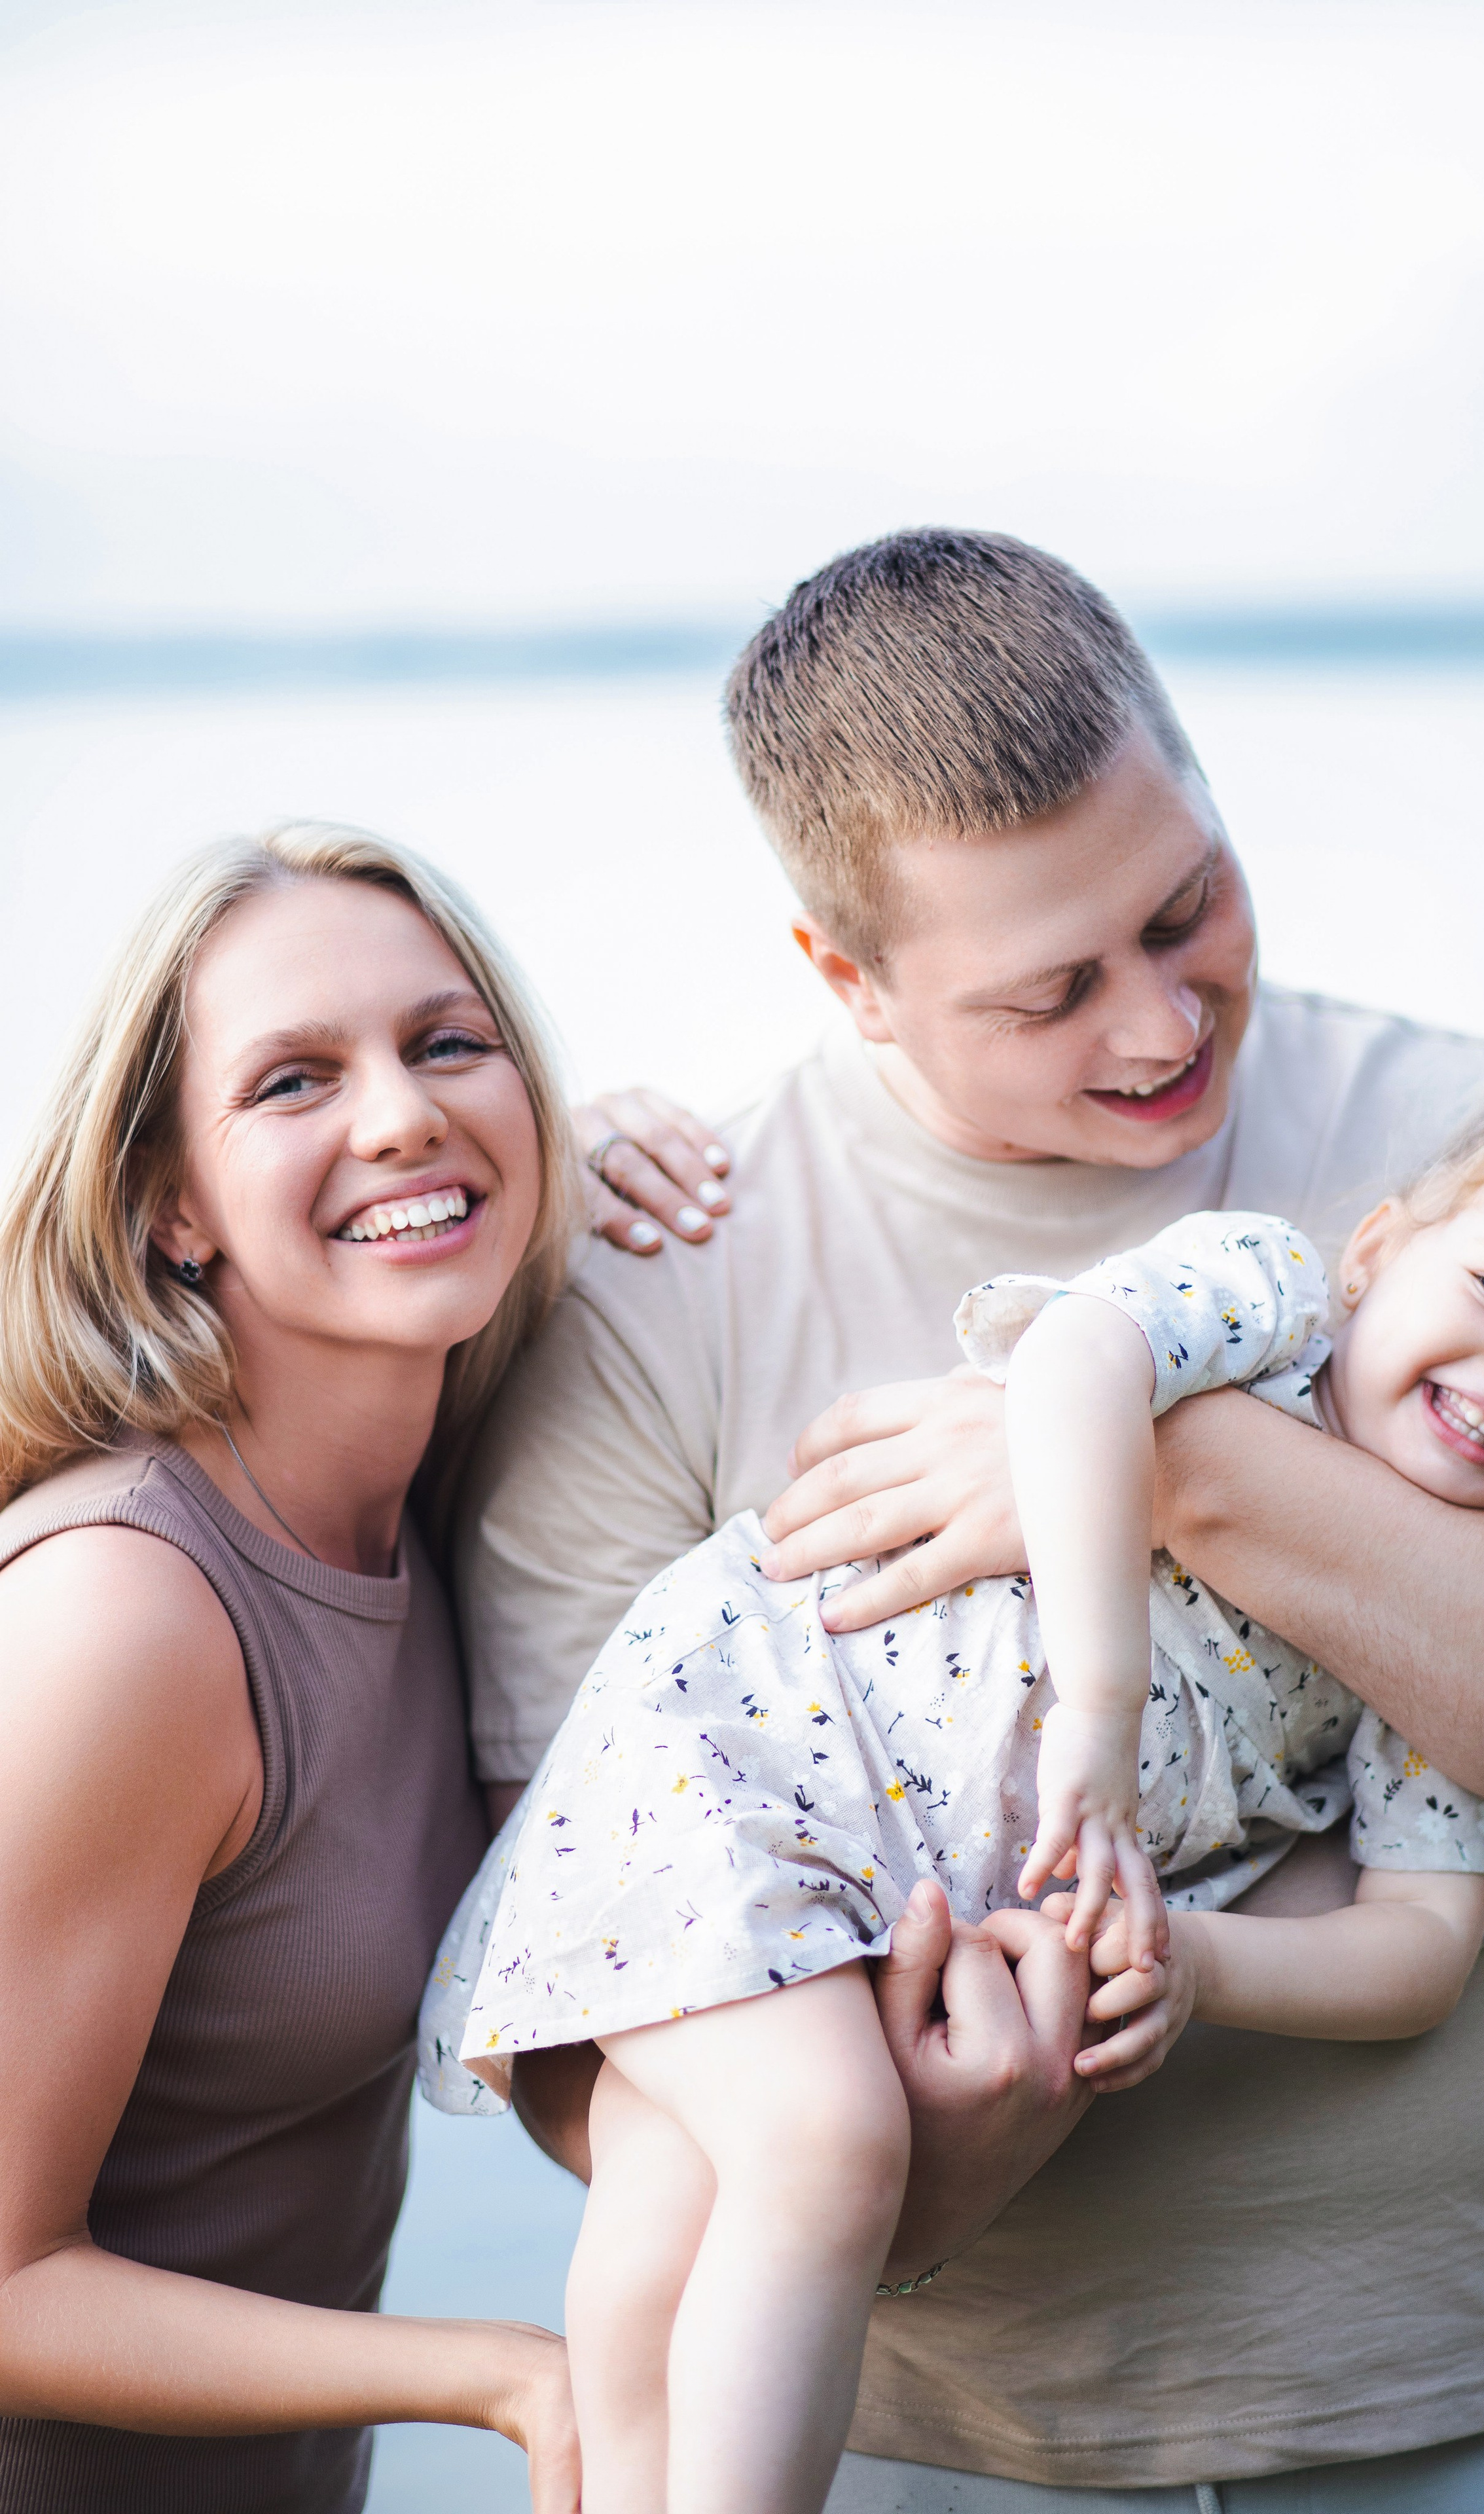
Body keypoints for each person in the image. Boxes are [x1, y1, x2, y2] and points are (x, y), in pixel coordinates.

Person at [458, 531, 1484, 2510]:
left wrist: (1181, 1476)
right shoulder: (654, 1273)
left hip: (1461, 2394)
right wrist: (916, 2160)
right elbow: (587, 1953)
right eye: (1050, 994)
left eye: (1189, 910)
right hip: (920, 2442)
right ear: (847, 980)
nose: (1164, 1029)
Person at [0, 819, 710, 2514]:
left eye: (448, 1045)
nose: (399, 1115)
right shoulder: (128, 1618)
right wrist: (505, 2377)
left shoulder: (439, 1497)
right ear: (172, 1206)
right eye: (292, 1081)